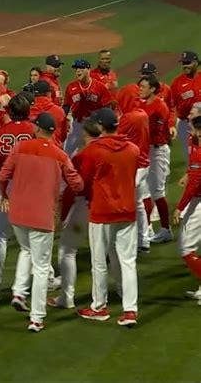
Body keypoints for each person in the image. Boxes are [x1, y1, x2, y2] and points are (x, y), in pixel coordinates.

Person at [0, 112, 83, 332]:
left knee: (26, 250)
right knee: (42, 267)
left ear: (36, 128)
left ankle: (18, 292)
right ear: (53, 132)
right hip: (42, 217)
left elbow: (2, 176)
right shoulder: (60, 155)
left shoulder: (20, 147)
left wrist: (4, 196)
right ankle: (36, 318)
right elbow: (77, 184)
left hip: (18, 214)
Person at [76, 108, 140, 326]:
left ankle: (99, 307)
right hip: (128, 210)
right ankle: (130, 310)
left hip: (102, 211)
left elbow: (84, 181)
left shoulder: (94, 151)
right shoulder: (133, 149)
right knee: (128, 262)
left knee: (99, 262)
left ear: (100, 127)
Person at [0, 94, 35, 298]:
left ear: (9, 112)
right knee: (34, 236)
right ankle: (44, 278)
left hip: (5, 186)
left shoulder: (0, 132)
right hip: (29, 187)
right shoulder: (35, 131)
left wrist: (2, 188)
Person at [48, 118, 101, 310]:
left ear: (85, 132)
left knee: (67, 250)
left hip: (83, 208)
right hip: (106, 208)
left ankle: (66, 297)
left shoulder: (82, 155)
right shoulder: (112, 150)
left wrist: (62, 217)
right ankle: (121, 292)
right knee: (109, 253)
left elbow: (73, 188)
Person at [138, 76, 172, 244]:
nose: (140, 89)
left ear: (152, 89)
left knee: (157, 192)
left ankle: (166, 230)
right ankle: (147, 228)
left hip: (158, 151)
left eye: (143, 87)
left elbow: (156, 130)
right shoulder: (141, 104)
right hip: (146, 150)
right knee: (144, 191)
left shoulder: (160, 106)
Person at [117, 92, 151, 253]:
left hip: (133, 166)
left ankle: (128, 243)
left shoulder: (129, 117)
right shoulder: (142, 113)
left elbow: (115, 137)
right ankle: (143, 240)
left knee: (126, 205)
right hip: (143, 164)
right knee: (138, 204)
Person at [173, 115, 201, 305]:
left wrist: (179, 208)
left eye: (192, 128)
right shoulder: (194, 142)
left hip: (198, 202)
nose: (189, 130)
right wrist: (188, 173)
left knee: (185, 248)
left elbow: (195, 184)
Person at [63, 59, 112, 157]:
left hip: (94, 126)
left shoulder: (100, 87)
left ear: (88, 70)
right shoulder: (71, 87)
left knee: (98, 152)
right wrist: (63, 122)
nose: (78, 71)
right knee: (67, 151)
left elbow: (107, 108)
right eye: (76, 69)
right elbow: (66, 107)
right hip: (77, 125)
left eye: (81, 68)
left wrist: (104, 126)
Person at [171, 51, 201, 157]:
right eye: (183, 63)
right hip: (185, 124)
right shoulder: (177, 83)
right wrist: (171, 125)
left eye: (188, 63)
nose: (185, 66)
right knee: (191, 153)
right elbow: (171, 106)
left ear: (196, 63)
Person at [29, 80, 68, 148]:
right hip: (55, 149)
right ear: (48, 94)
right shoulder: (59, 111)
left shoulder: (27, 111)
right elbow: (63, 136)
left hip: (32, 149)